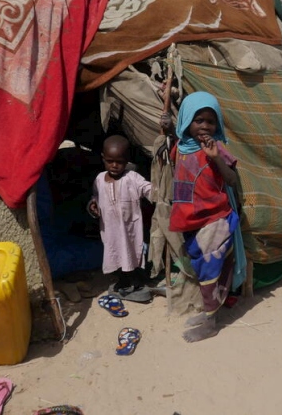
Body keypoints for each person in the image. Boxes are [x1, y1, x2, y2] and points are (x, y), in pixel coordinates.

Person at [166, 92, 242, 342]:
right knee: (202, 270)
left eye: (211, 121)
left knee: (210, 273)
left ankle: (211, 323)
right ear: (187, 120)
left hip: (214, 220)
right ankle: (208, 313)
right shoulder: (181, 146)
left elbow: (232, 180)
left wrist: (216, 159)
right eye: (199, 120)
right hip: (191, 221)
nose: (205, 126)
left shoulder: (217, 148)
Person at [88, 135, 153, 301]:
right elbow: (95, 196)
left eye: (119, 161)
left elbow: (147, 189)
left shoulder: (132, 177)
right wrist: (93, 205)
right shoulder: (99, 179)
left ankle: (137, 282)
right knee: (115, 254)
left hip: (130, 228)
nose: (114, 165)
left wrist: (160, 189)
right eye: (110, 161)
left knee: (133, 253)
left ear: (127, 160)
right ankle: (123, 282)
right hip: (110, 229)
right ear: (103, 158)